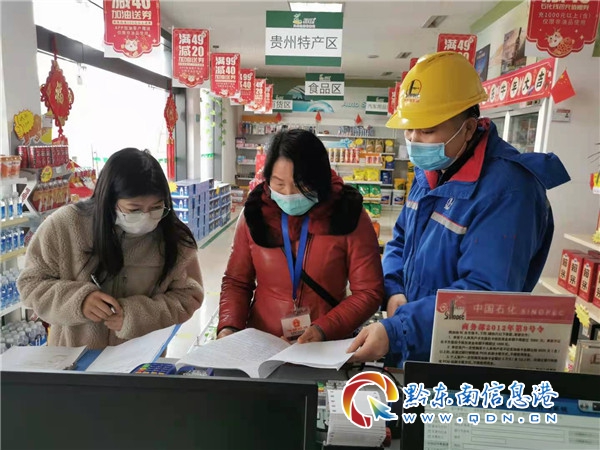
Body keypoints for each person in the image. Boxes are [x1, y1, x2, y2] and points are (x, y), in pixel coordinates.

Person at [348, 51, 570, 364]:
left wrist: (400, 330)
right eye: (409, 129)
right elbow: (400, 241)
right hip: (414, 347)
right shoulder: (432, 171)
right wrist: (394, 290)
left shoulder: (509, 191)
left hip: (460, 360)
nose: (414, 140)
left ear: (467, 128)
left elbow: (485, 295)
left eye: (427, 130)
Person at [17, 148, 204, 349]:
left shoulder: (173, 238)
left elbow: (189, 296)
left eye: (156, 207)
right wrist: (79, 301)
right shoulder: (65, 226)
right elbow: (31, 284)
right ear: (108, 201)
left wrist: (136, 316)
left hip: (140, 357)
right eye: (134, 209)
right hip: (73, 357)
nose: (147, 217)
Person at [218, 129, 384, 343]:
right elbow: (236, 281)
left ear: (320, 179)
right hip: (262, 342)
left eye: (301, 185)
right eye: (279, 184)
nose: (288, 193)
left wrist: (324, 329)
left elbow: (368, 291)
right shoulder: (256, 214)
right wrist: (229, 327)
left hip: (324, 343)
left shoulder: (347, 214)